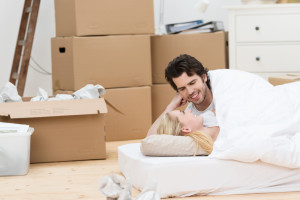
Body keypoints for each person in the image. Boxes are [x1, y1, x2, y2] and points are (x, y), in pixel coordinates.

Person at [147, 54, 219, 138]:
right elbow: (150, 138)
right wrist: (171, 106)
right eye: (182, 89)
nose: (190, 91)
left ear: (204, 77)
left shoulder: (222, 91)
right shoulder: (191, 116)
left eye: (192, 83)